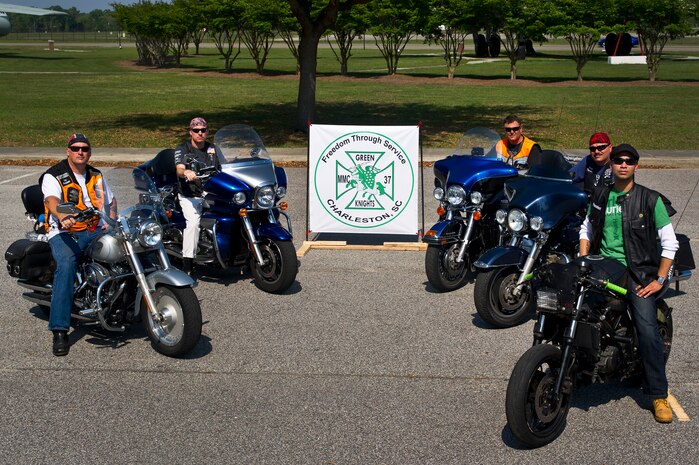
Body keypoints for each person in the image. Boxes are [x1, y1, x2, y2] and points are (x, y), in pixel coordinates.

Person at [579, 143, 679, 423]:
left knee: (647, 329)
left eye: (629, 161)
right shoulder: (600, 195)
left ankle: (658, 394)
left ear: (636, 166)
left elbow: (670, 243)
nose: (623, 164)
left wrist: (659, 279)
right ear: (611, 164)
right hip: (605, 265)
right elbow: (586, 227)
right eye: (618, 160)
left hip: (639, 272)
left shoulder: (649, 199)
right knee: (573, 305)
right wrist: (584, 258)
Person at [40, 133, 116, 356]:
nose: (80, 152)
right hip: (64, 231)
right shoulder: (54, 175)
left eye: (84, 148)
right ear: (68, 151)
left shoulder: (96, 174)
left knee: (125, 250)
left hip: (93, 229)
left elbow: (110, 201)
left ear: (89, 152)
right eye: (75, 148)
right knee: (67, 264)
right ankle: (60, 330)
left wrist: (110, 223)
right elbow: (51, 200)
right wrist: (62, 215)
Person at [174, 117, 221, 275]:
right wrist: (186, 171)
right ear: (190, 132)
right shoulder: (183, 149)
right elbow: (179, 169)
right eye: (196, 130)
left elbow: (226, 166)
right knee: (193, 224)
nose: (200, 133)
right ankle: (187, 264)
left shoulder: (213, 149)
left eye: (203, 130)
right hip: (190, 195)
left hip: (210, 192)